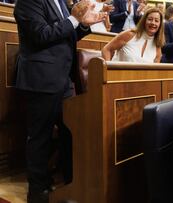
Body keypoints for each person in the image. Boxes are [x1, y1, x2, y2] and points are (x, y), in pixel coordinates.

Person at [13, 0, 108, 202]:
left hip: (63, 79)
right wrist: (75, 18)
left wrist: (84, 25)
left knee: (71, 132)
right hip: (41, 79)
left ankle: (72, 183)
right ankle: (38, 191)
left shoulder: (60, 2)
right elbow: (42, 35)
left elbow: (68, 35)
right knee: (41, 137)